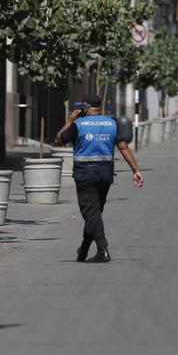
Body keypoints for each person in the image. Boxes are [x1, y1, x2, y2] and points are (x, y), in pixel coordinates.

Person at [55, 94, 144, 263]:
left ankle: (102, 249)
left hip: (85, 174)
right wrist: (136, 170)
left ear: (85, 108)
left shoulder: (78, 125)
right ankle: (84, 249)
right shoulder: (112, 123)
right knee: (94, 212)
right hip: (105, 174)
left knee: (90, 212)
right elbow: (123, 147)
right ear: (100, 107)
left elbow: (59, 140)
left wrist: (69, 120)